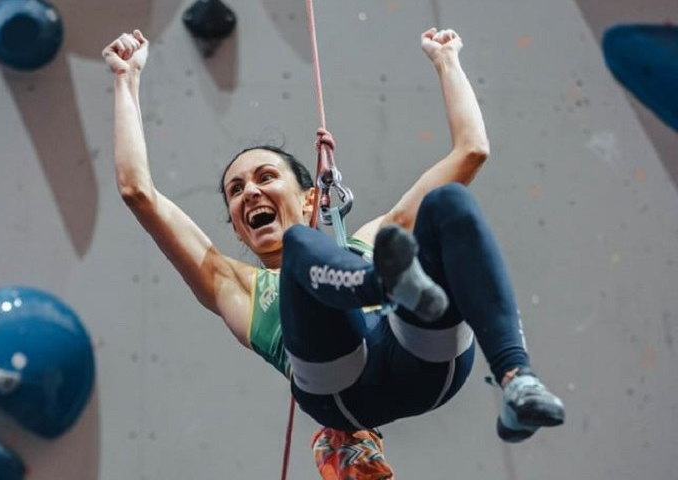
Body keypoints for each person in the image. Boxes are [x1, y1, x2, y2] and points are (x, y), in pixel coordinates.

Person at [103, 26, 565, 476]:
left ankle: (516, 380)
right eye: (236, 190)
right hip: (342, 389)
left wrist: (447, 61)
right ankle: (384, 285)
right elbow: (137, 192)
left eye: (266, 177)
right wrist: (126, 79)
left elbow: (471, 151)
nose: (250, 194)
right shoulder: (235, 285)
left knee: (449, 204)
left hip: (420, 357)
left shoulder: (368, 239)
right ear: (239, 233)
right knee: (301, 246)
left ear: (311, 198)